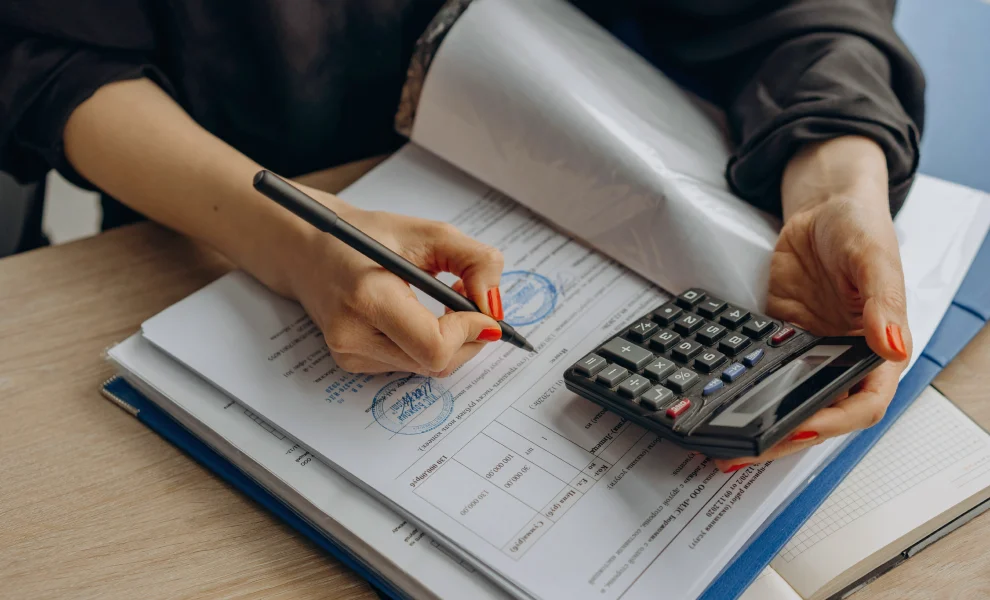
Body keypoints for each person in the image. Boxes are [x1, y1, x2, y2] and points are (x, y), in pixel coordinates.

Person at [0, 0, 920, 470]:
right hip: (215, 189)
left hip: (610, 149)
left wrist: (838, 169)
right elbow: (45, 51)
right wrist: (286, 236)